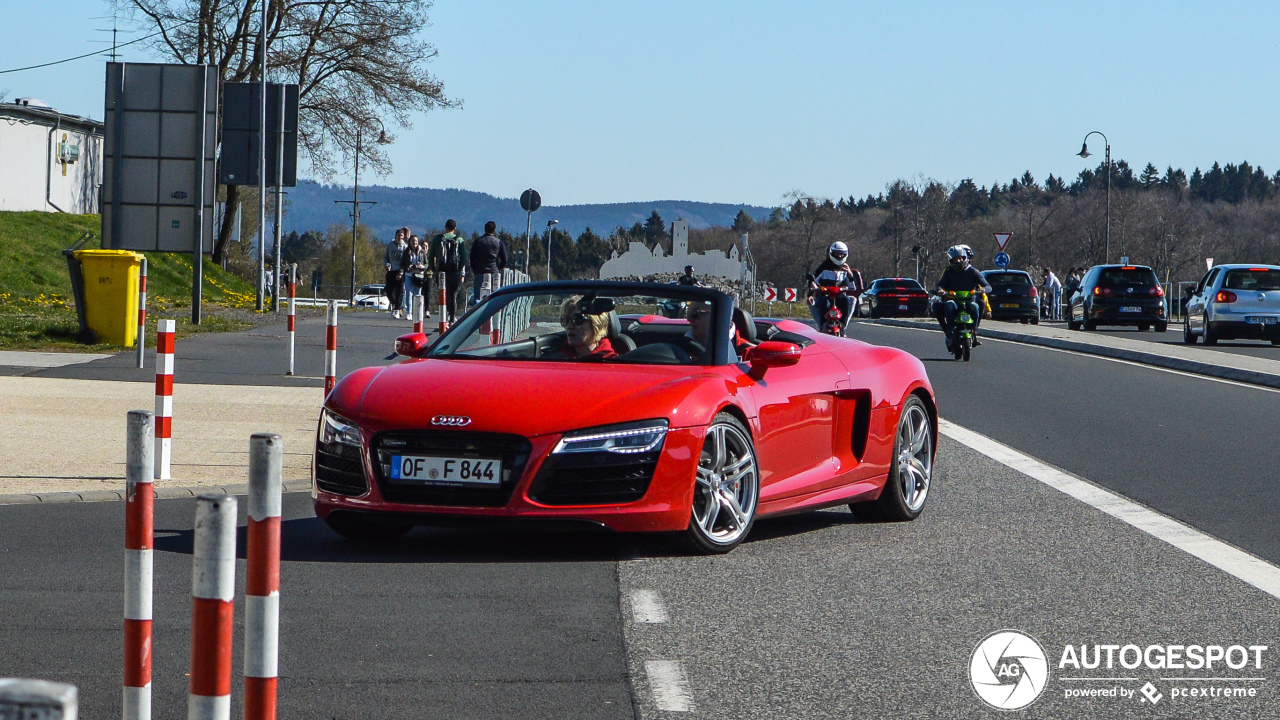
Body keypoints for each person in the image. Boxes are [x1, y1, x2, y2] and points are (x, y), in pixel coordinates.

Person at [935, 245, 992, 350]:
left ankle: (974, 331)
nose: (958, 261)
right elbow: (940, 285)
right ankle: (950, 331)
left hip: (970, 300)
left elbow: (988, 286)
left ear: (965, 258)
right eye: (955, 259)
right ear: (951, 260)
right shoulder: (948, 271)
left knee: (975, 307)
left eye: (960, 258)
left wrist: (983, 289)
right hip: (953, 300)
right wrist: (940, 290)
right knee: (949, 306)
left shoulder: (973, 271)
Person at [806, 241, 865, 330]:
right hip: (824, 296)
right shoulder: (823, 267)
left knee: (851, 300)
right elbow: (813, 281)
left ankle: (843, 326)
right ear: (831, 253)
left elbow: (852, 287)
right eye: (837, 254)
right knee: (819, 303)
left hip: (839, 297)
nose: (840, 256)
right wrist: (811, 293)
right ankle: (821, 325)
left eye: (842, 254)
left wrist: (850, 275)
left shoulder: (845, 268)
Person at [429, 219, 468, 323]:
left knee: (443, 294)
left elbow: (431, 256)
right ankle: (452, 317)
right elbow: (464, 257)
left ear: (445, 227)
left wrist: (434, 269)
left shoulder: (438, 239)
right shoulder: (459, 240)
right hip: (454, 272)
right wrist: (459, 269)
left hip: (441, 272)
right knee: (453, 295)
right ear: (454, 229)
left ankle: (444, 317)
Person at [559, 296, 617, 361]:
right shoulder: (554, 358)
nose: (569, 326)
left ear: (596, 323)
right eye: (565, 320)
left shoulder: (612, 362)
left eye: (577, 320)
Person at [469, 221, 508, 305]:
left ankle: (477, 315)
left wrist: (475, 269)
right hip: (494, 272)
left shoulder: (478, 241)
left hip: (480, 270)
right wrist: (499, 268)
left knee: (477, 297)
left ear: (485, 229)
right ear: (494, 230)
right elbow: (504, 259)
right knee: (494, 297)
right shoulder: (499, 242)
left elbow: (472, 258)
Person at [400, 235, 428, 321]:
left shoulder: (422, 252)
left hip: (419, 275)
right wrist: (409, 268)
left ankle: (418, 312)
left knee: (418, 294)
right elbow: (402, 264)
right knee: (408, 293)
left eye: (416, 241)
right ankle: (409, 312)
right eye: (412, 241)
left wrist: (422, 266)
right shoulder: (406, 252)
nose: (414, 243)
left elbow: (427, 263)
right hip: (409, 274)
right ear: (409, 242)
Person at [385, 228, 408, 318]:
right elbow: (385, 257)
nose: (399, 237)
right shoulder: (390, 245)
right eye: (398, 235)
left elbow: (406, 261)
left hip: (400, 271)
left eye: (401, 236)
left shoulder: (405, 247)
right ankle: (394, 304)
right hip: (391, 270)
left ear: (403, 237)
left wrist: (401, 272)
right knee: (387, 290)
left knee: (399, 291)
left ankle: (397, 309)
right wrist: (386, 264)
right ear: (395, 236)